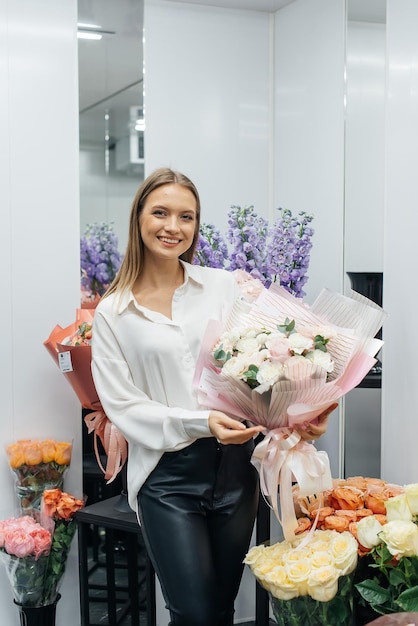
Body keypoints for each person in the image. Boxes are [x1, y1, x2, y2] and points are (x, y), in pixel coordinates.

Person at [91, 167, 336, 626]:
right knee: (195, 614)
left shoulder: (222, 286)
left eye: (186, 217)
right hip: (167, 476)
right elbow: (122, 405)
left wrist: (302, 412)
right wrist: (199, 422)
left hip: (236, 468)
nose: (173, 227)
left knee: (221, 609)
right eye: (160, 212)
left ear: (196, 226)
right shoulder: (113, 311)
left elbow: (263, 367)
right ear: (138, 217)